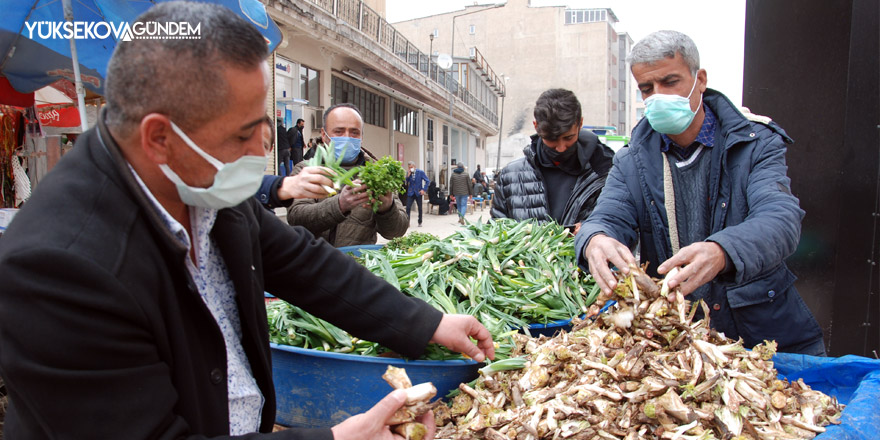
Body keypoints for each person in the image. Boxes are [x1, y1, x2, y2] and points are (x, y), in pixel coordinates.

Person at [0, 4, 495, 439]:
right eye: (243, 135)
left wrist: (427, 322)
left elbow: (305, 265)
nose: (261, 151)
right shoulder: (56, 270)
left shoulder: (204, 186)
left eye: (263, 125)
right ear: (159, 138)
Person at [575, 30, 824, 355]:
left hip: (759, 331)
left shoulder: (754, 144)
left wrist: (723, 251)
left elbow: (780, 218)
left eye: (670, 82)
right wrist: (594, 239)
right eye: (647, 88)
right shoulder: (632, 160)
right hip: (677, 336)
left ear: (700, 79)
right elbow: (606, 217)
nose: (658, 96)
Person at [491, 89, 614, 234]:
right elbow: (496, 232)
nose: (561, 148)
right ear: (536, 126)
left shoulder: (607, 172)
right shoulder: (510, 176)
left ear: (580, 123)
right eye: (551, 139)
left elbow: (624, 227)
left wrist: (592, 231)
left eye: (568, 138)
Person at [287, 103, 409, 247]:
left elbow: (396, 232)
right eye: (339, 131)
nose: (347, 137)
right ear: (324, 134)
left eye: (354, 132)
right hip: (314, 265)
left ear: (361, 136)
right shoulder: (306, 170)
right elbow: (296, 217)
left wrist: (387, 208)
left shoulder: (377, 174)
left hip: (356, 264)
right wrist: (340, 205)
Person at [405, 160, 431, 227]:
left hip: (418, 192)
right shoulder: (408, 173)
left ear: (414, 166)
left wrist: (423, 190)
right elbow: (406, 182)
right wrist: (408, 175)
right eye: (409, 167)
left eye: (411, 167)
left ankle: (420, 221)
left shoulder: (420, 172)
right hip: (411, 192)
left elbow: (427, 181)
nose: (410, 169)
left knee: (420, 208)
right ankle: (407, 222)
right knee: (408, 207)